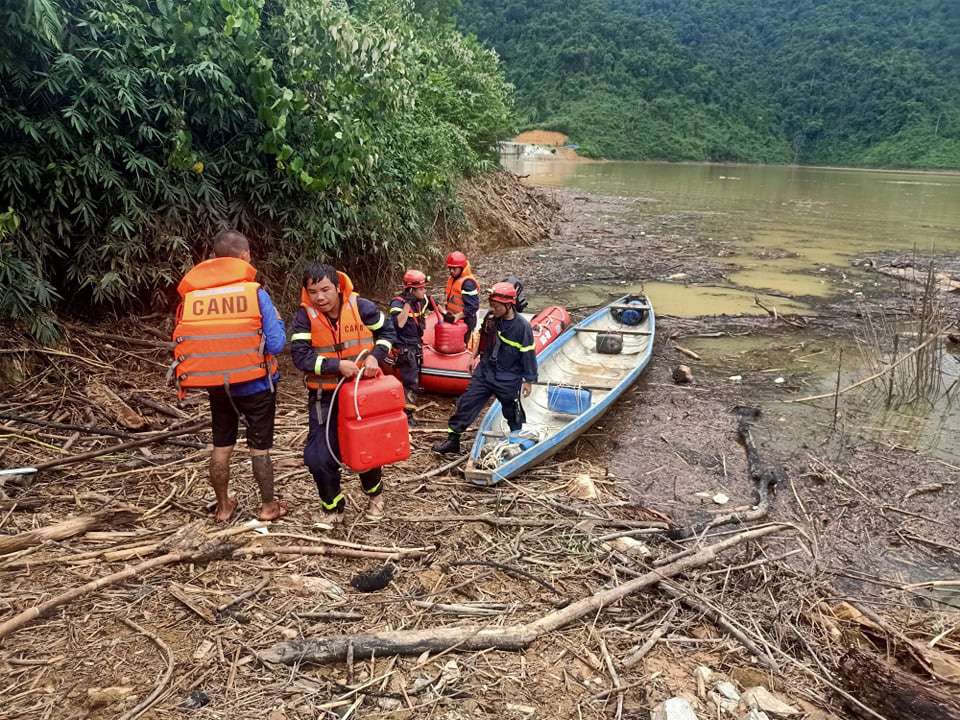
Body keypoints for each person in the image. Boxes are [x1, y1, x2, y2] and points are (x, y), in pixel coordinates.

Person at [170, 230, 287, 523]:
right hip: (256, 385)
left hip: (217, 386)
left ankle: (223, 507)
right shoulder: (254, 293)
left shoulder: (194, 298)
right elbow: (276, 344)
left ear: (213, 258)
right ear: (245, 256)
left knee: (221, 447)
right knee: (259, 448)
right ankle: (268, 507)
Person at [290, 264, 397, 522]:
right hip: (324, 396)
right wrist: (335, 366)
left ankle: (375, 497)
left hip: (362, 393)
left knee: (365, 448)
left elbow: (388, 332)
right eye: (313, 291)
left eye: (325, 289)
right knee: (317, 458)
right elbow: (300, 356)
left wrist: (376, 356)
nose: (320, 297)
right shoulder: (305, 317)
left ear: (338, 288)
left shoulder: (362, 307)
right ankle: (333, 507)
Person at [432, 282, 537, 455]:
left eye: (496, 306)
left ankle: (517, 441)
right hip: (486, 371)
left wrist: (529, 380)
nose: (493, 309)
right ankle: (453, 440)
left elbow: (528, 354)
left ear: (508, 305)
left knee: (512, 411)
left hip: (509, 376)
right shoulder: (490, 318)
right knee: (466, 403)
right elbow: (482, 338)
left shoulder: (522, 327)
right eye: (491, 305)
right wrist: (473, 357)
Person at [389, 269, 431, 427]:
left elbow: (431, 302)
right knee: (410, 382)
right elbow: (399, 323)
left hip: (415, 344)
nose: (424, 291)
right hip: (404, 347)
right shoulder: (398, 303)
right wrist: (407, 304)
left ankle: (407, 412)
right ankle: (407, 416)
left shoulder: (421, 301)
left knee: (414, 380)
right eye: (421, 289)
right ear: (412, 290)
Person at [443, 251, 479, 343]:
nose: (451, 271)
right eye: (450, 268)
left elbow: (473, 306)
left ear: (461, 268)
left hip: (465, 321)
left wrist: (457, 317)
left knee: (462, 345)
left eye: (454, 268)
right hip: (454, 318)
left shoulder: (468, 284)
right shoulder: (453, 279)